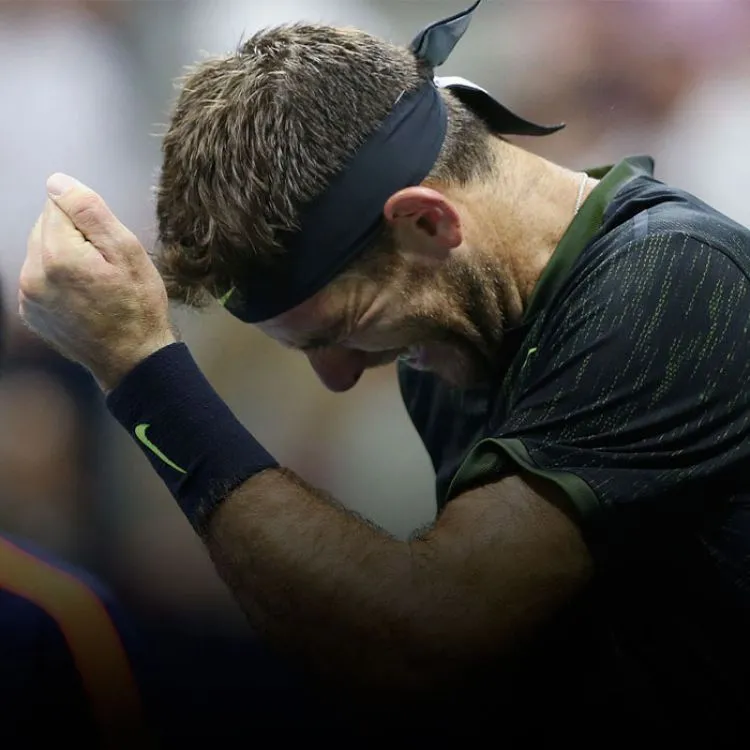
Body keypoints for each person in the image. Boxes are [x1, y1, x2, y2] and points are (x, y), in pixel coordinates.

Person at [17, 0, 750, 739]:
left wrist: (140, 369)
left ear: (428, 222)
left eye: (342, 330)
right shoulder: (461, 337)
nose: (340, 377)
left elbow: (421, 640)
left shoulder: (675, 282)